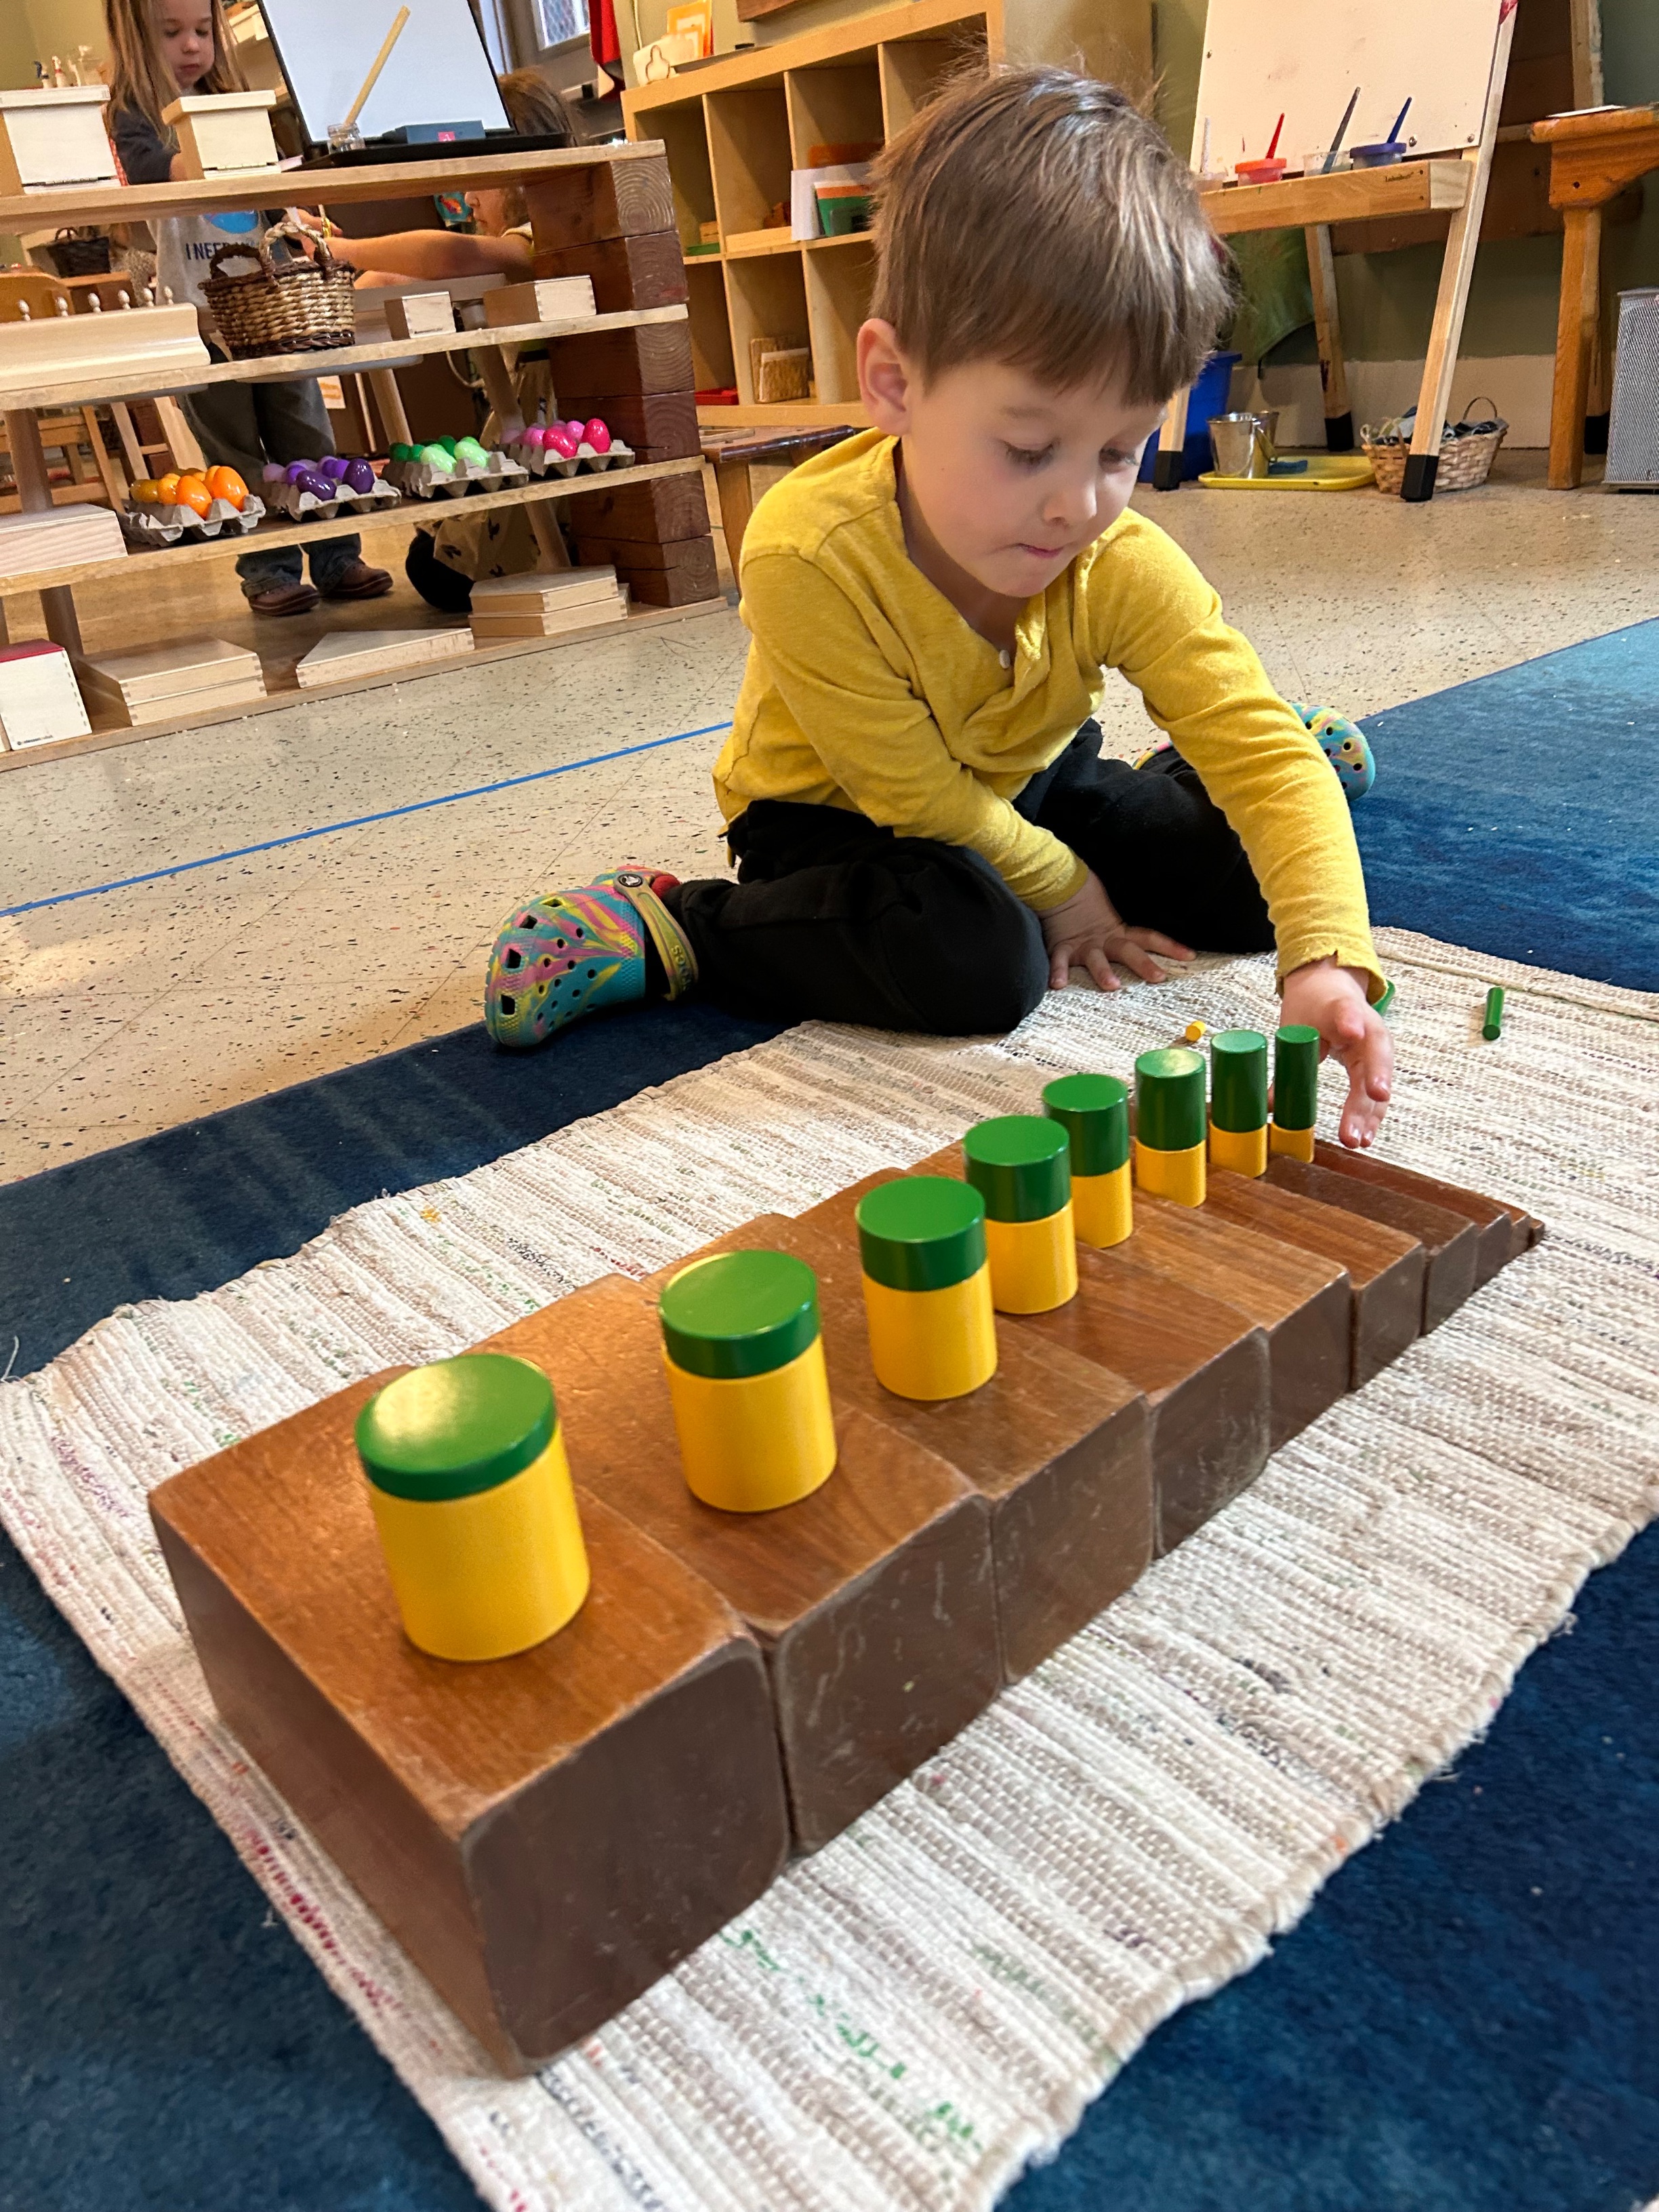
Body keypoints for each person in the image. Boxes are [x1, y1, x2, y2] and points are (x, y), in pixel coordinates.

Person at [481, 67, 1393, 1151]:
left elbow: (1261, 759)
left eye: (1119, 450)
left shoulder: (1120, 555)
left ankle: (1190, 791)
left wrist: (1328, 963)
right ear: (895, 383)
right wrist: (1063, 888)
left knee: (1253, 892)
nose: (1076, 504)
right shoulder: (805, 551)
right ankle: (674, 925)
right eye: (1026, 448)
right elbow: (913, 791)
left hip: (1028, 773)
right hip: (841, 817)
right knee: (980, 961)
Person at [104, 0, 391, 616]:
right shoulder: (136, 115)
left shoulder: (233, 101)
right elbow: (142, 168)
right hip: (198, 317)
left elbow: (271, 194)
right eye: (172, 33)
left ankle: (337, 557)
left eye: (204, 31)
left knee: (307, 432)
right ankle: (269, 572)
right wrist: (204, 164)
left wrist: (291, 210)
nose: (192, 46)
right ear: (137, 37)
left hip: (271, 309)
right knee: (232, 451)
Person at [291, 71, 575, 612]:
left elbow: (446, 258)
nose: (468, 198)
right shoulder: (502, 245)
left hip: (555, 435)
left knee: (434, 570)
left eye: (478, 180)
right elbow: (403, 278)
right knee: (433, 554)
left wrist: (342, 246)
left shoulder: (542, 240)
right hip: (528, 430)